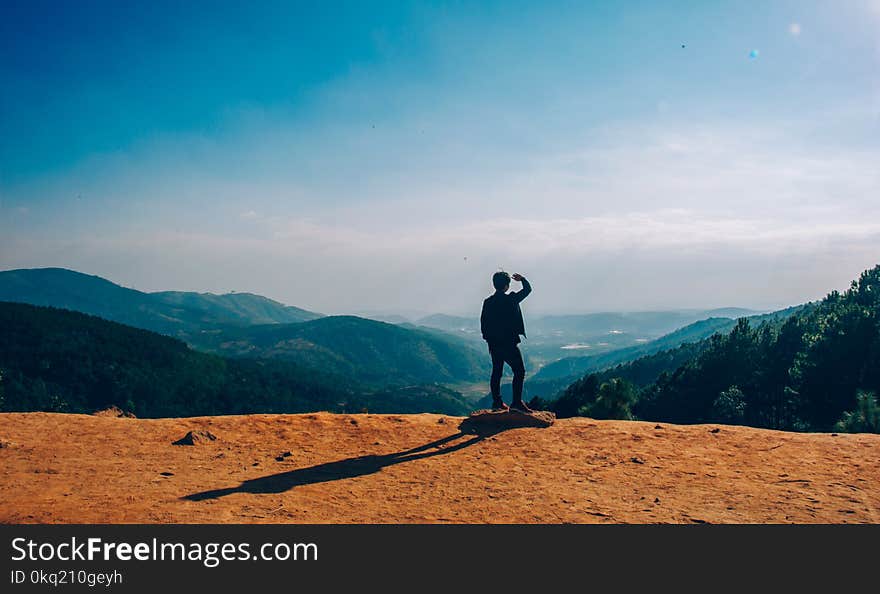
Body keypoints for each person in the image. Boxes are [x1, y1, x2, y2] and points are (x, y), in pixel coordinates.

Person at [480, 271, 532, 412]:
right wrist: (522, 279)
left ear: (494, 284)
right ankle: (516, 403)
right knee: (519, 371)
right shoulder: (511, 299)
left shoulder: (488, 302)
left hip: (495, 344)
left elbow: (483, 323)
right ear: (507, 286)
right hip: (509, 343)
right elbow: (528, 290)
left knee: (497, 372)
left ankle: (497, 402)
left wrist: (489, 339)